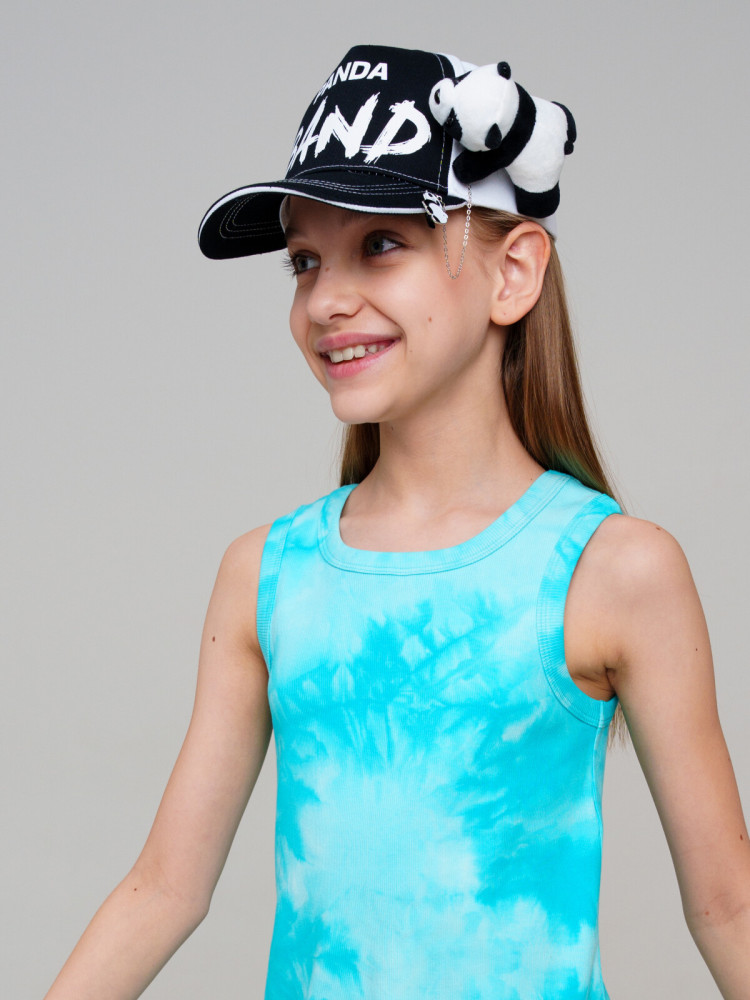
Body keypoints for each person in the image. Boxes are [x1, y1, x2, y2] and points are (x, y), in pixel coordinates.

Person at [44, 44, 750, 1000]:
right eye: (304, 261)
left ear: (512, 273)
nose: (326, 300)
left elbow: (729, 907)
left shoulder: (614, 570)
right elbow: (163, 889)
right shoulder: (267, 574)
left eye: (381, 244)